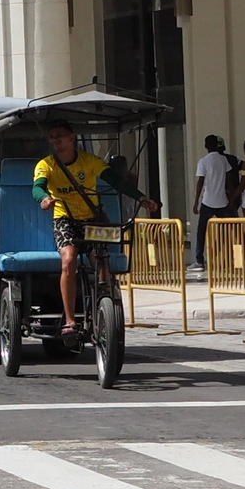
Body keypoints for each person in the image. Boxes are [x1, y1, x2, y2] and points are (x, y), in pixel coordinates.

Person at [35, 120, 157, 335]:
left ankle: (104, 300)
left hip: (93, 219)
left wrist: (141, 198)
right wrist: (44, 199)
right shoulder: (46, 164)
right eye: (52, 136)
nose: (56, 139)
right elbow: (38, 188)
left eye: (60, 134)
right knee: (69, 258)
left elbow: (116, 181)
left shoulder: (89, 161)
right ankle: (71, 320)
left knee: (100, 258)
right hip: (64, 219)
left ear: (72, 138)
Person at [192, 134, 235, 268]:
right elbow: (229, 178)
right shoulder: (223, 160)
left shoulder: (203, 162)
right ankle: (228, 258)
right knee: (228, 229)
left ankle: (199, 260)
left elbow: (200, 181)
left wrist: (196, 201)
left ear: (206, 146)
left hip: (208, 201)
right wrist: (230, 194)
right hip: (222, 201)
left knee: (201, 231)